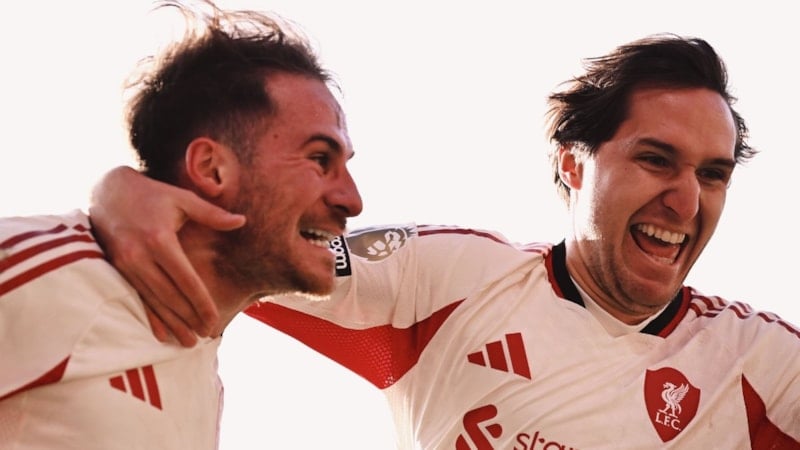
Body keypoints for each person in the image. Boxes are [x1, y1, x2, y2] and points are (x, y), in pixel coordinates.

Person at [89, 34, 800, 448]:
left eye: (713, 174)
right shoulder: (451, 275)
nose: (686, 200)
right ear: (573, 165)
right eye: (656, 160)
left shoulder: (764, 364)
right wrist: (124, 189)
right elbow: (236, 243)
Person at [0, 1, 362, 449]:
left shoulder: (204, 374)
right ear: (211, 169)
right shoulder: (58, 279)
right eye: (319, 159)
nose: (352, 200)